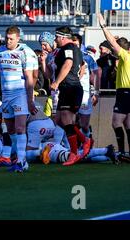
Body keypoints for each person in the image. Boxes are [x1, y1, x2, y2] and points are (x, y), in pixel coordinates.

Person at [0, 26, 38, 173]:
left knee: (20, 128)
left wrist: (30, 99)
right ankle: (19, 158)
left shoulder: (25, 52)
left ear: (18, 38)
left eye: (11, 39)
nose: (8, 41)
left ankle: (21, 161)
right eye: (7, 38)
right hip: (6, 96)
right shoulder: (0, 52)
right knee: (11, 130)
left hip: (20, 94)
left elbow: (29, 77)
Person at [98, 13, 130, 163]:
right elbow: (115, 48)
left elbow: (113, 45)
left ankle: (122, 152)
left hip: (125, 92)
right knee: (128, 124)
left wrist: (103, 25)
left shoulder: (126, 56)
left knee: (116, 122)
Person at [51, 26, 90, 166]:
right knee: (60, 120)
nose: (55, 40)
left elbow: (68, 64)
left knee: (66, 121)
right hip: (69, 88)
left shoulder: (68, 47)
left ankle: (74, 153)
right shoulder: (76, 49)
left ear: (62, 37)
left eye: (56, 37)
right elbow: (82, 66)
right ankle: (85, 140)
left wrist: (57, 82)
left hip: (70, 88)